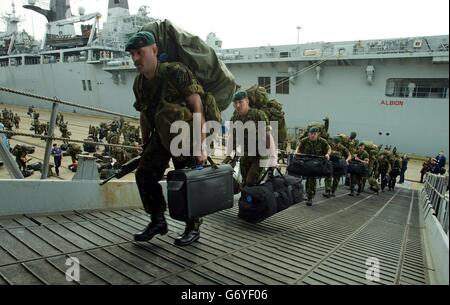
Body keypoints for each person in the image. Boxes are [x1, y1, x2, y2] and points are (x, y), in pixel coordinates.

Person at [127, 31, 208, 246]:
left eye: (139, 53)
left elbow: (197, 106)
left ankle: (193, 228)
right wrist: (145, 145)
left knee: (185, 181)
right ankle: (158, 220)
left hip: (184, 135)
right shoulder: (139, 83)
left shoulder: (176, 72)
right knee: (144, 173)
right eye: (132, 54)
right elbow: (144, 114)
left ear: (154, 50)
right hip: (161, 136)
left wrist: (200, 146)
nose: (135, 58)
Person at [227, 90, 274, 188]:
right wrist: (229, 155)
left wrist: (273, 158)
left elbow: (268, 136)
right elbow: (232, 138)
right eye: (235, 103)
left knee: (250, 182)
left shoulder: (258, 115)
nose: (238, 105)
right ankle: (247, 202)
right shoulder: (234, 118)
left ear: (247, 101)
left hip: (260, 155)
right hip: (246, 155)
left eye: (240, 102)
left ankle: (255, 201)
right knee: (244, 183)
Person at [296, 127, 331, 206]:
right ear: (308, 134)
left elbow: (329, 148)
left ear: (317, 134)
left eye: (314, 134)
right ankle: (307, 195)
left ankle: (310, 197)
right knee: (306, 178)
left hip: (316, 163)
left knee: (312, 178)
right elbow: (299, 147)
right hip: (307, 162)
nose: (312, 135)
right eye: (311, 133)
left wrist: (327, 154)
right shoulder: (305, 140)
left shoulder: (322, 141)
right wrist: (296, 153)